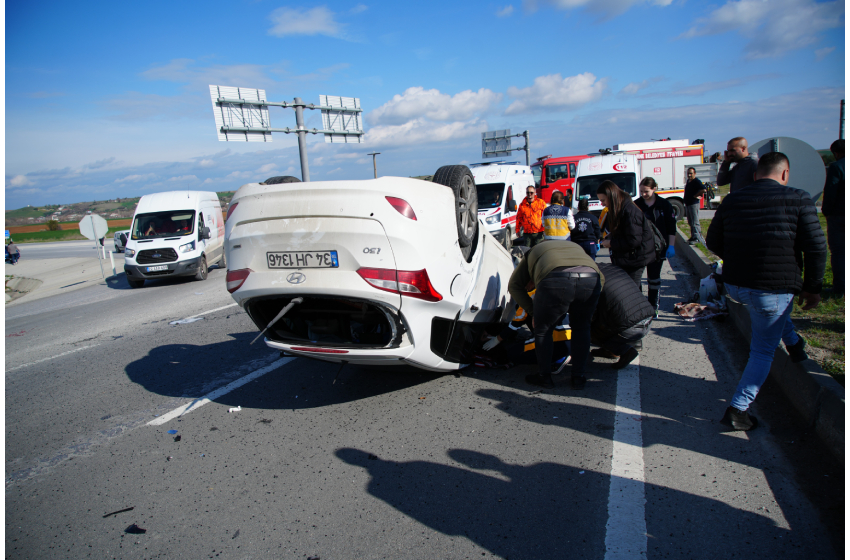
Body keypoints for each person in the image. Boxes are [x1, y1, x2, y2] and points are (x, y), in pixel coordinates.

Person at [706, 152, 826, 431]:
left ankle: (795, 346)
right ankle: (738, 410)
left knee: (770, 314)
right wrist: (813, 289)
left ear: (756, 173)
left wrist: (736, 261)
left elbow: (713, 240)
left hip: (738, 286)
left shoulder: (733, 199)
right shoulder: (798, 198)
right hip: (773, 288)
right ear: (785, 174)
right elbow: (817, 248)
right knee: (762, 351)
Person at [508, 241, 603, 389]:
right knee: (582, 328)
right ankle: (578, 377)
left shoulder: (532, 252)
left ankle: (544, 377)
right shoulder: (576, 247)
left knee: (544, 330)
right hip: (591, 279)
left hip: (554, 279)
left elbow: (514, 285)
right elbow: (601, 279)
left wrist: (534, 312)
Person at [590, 263, 656, 369]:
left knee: (585, 328)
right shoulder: (610, 267)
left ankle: (624, 351)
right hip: (648, 319)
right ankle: (609, 350)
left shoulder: (592, 279)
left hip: (630, 327)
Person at [596, 181, 655, 288]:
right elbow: (624, 232)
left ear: (611, 196)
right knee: (632, 291)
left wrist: (612, 243)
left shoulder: (629, 211)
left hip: (635, 259)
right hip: (628, 258)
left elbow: (634, 240)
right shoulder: (620, 208)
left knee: (632, 292)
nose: (602, 204)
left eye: (603, 200)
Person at [634, 178, 677, 312]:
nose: (643, 194)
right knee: (637, 279)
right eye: (641, 191)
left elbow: (671, 227)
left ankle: (653, 306)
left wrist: (671, 246)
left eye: (646, 191)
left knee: (654, 278)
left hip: (658, 248)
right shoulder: (636, 205)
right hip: (640, 248)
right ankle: (640, 307)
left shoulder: (664, 205)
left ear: (654, 189)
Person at [820, 139, 844, 296]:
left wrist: (826, 211)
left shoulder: (837, 166)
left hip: (839, 215)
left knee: (839, 252)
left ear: (836, 153)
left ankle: (840, 288)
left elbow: (831, 192)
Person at [683, 167, 707, 245]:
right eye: (688, 173)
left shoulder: (696, 181)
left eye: (691, 173)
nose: (689, 175)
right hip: (688, 203)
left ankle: (697, 238)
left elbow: (704, 189)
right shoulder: (688, 181)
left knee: (694, 221)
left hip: (693, 203)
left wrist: (696, 195)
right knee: (690, 221)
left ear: (695, 173)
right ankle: (693, 236)